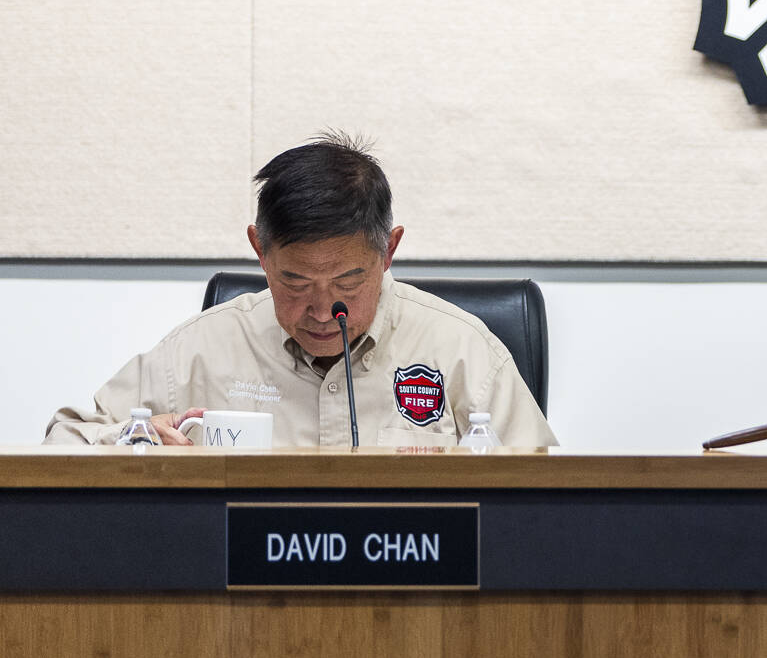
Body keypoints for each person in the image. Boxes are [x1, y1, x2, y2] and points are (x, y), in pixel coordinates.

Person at [45, 134, 556, 449]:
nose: (319, 308)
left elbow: (550, 499)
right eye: (293, 280)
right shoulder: (199, 354)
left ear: (389, 252)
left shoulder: (464, 353)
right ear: (259, 251)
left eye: (348, 281)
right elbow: (60, 445)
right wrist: (136, 440)